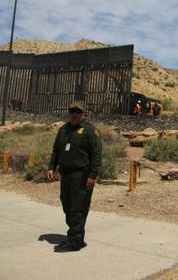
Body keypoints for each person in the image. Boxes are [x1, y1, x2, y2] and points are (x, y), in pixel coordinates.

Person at [46, 101, 102, 252]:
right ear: (69, 113)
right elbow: (56, 150)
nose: (75, 114)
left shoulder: (90, 131)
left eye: (78, 112)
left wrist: (92, 176)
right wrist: (52, 167)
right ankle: (75, 238)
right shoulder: (63, 130)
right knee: (67, 205)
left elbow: (96, 156)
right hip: (66, 174)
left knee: (78, 207)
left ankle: (75, 241)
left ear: (84, 114)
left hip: (81, 175)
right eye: (72, 111)